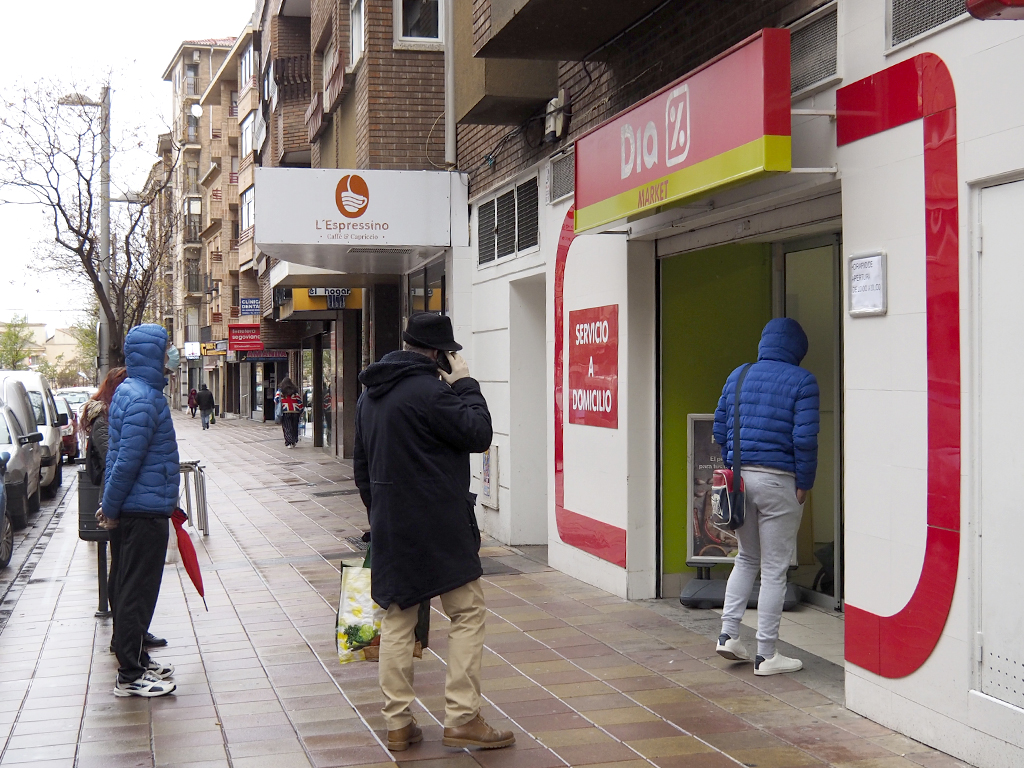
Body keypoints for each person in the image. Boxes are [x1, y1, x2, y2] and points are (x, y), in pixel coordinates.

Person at [354, 313, 512, 752]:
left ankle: (398, 724)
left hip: (391, 526)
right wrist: (467, 383)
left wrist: (382, 514)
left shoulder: (370, 396)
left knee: (398, 618)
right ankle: (462, 717)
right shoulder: (433, 392)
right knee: (467, 612)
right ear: (440, 355)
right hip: (441, 526)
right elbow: (479, 434)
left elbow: (362, 469)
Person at [712, 317, 819, 676]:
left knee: (746, 559)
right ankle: (766, 655)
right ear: (797, 349)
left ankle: (728, 635)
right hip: (779, 482)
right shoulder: (803, 381)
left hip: (741, 480)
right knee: (774, 570)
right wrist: (805, 483)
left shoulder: (739, 375)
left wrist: (734, 467)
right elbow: (804, 439)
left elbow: (719, 428)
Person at [98, 324, 180, 697]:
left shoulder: (133, 393)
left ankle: (137, 661)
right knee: (136, 591)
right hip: (142, 512)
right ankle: (130, 674)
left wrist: (111, 506)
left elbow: (119, 457)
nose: (169, 356)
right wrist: (110, 508)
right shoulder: (144, 399)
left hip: (139, 508)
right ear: (152, 355)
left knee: (130, 586)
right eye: (165, 350)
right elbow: (126, 462)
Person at [81, 367, 169, 656]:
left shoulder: (119, 411)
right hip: (120, 499)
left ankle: (131, 635)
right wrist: (111, 506)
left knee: (125, 572)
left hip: (122, 498)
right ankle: (125, 641)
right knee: (124, 573)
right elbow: (117, 458)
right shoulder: (105, 417)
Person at [275, 378, 303, 447]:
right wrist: (300, 410)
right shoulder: (295, 392)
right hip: (295, 411)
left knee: (287, 427)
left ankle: (289, 442)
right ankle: (294, 440)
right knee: (294, 427)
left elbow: (276, 400)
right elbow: (299, 402)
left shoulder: (280, 391)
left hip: (285, 411)